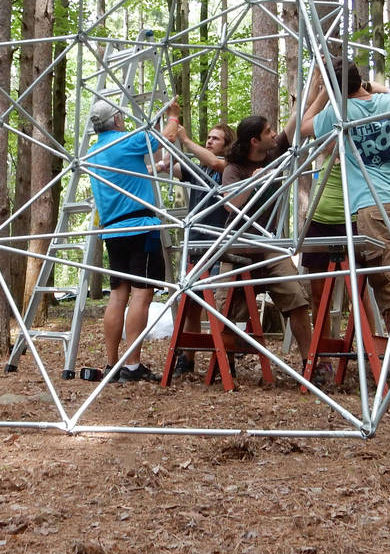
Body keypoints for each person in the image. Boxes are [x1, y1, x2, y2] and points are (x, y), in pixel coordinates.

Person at [302, 55, 390, 395]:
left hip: (373, 208)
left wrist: (323, 93)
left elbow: (304, 126)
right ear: (361, 80)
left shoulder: (339, 113)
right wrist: (379, 88)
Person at [84, 97, 181, 383]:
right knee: (142, 293)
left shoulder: (94, 152)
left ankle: (113, 363)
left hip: (113, 231)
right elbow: (166, 135)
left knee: (118, 295)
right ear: (116, 120)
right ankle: (133, 366)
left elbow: (129, 175)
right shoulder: (124, 141)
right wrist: (172, 114)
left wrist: (158, 169)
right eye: (121, 116)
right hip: (140, 227)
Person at [216, 115, 314, 371]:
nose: (274, 134)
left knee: (297, 299)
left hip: (269, 247)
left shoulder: (275, 153)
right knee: (221, 306)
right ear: (254, 140)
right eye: (268, 131)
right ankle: (224, 366)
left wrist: (319, 86)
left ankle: (310, 363)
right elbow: (231, 204)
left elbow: (298, 119)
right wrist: (255, 181)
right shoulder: (233, 169)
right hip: (239, 248)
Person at [164, 121, 233, 376]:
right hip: (194, 243)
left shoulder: (229, 168)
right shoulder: (196, 168)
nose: (209, 141)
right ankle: (187, 358)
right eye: (208, 137)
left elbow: (215, 163)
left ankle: (224, 359)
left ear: (227, 145)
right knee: (190, 302)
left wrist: (185, 138)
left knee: (217, 304)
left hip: (218, 243)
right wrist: (170, 131)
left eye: (216, 139)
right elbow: (169, 166)